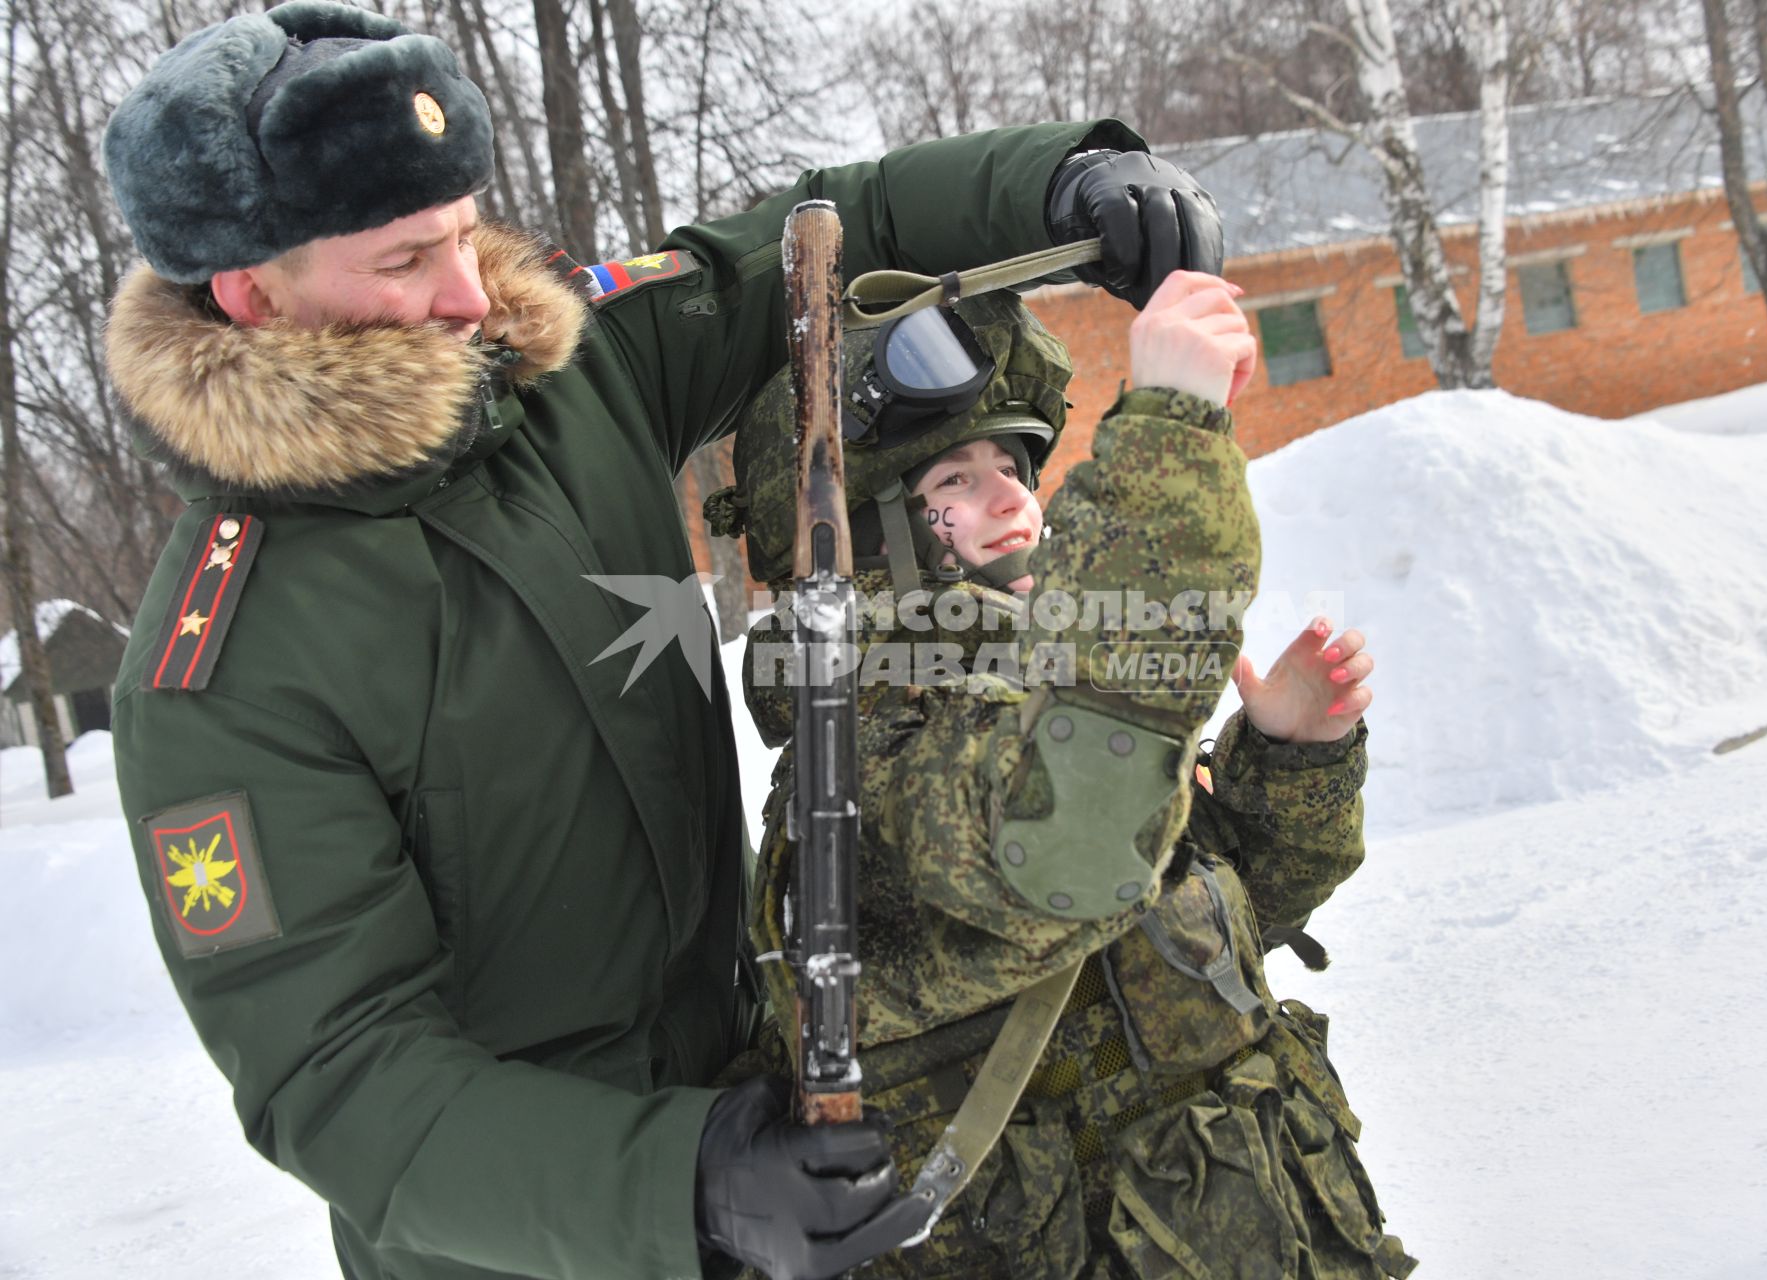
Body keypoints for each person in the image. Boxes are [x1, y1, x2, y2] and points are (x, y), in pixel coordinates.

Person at [100, 4, 1229, 1278]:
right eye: (408, 259)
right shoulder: (223, 669)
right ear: (255, 296)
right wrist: (678, 1180)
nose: (472, 294)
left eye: (469, 231)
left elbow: (825, 229)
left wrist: (1061, 180)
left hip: (758, 1124)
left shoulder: (567, 376)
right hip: (535, 1236)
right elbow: (342, 1083)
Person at [712, 274, 1415, 1277]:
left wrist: (1287, 755)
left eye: (1013, 465)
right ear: (867, 540)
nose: (1012, 498)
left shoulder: (1033, 689)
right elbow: (1065, 851)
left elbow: (1217, 932)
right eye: (953, 482)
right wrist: (1170, 431)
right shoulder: (861, 759)